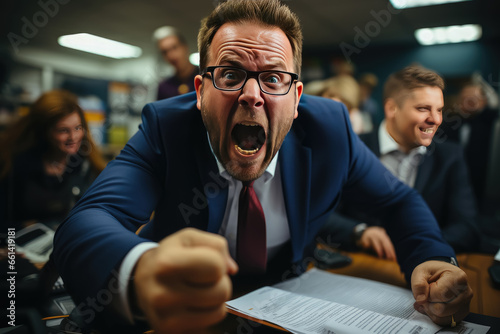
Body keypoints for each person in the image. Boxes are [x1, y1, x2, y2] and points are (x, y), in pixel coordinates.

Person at [52, 1, 472, 333]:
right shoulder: (168, 129)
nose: (252, 95)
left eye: (273, 79)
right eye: (231, 74)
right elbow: (88, 221)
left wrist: (431, 257)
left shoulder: (329, 131)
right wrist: (140, 268)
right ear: (200, 92)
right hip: (190, 314)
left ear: (296, 98)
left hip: (291, 307)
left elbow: (398, 200)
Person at [318, 65, 481, 258]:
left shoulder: (450, 156)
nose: (436, 119)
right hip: (361, 264)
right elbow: (320, 214)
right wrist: (360, 232)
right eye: (423, 109)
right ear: (391, 108)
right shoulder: (350, 148)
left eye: (439, 110)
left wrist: (422, 245)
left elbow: (467, 227)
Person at [0, 89, 106, 228]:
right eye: (63, 130)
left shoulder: (85, 165)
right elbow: (6, 224)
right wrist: (20, 232)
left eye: (77, 128)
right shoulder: (15, 165)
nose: (73, 138)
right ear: (45, 131)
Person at [440, 83, 499, 206]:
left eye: (474, 98)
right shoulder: (449, 123)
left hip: (485, 183)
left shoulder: (493, 124)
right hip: (455, 181)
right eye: (464, 98)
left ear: (484, 101)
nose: (469, 102)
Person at [153, 26, 198, 100]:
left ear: (185, 47)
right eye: (165, 52)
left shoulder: (206, 77)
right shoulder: (164, 87)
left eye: (174, 47)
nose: (171, 55)